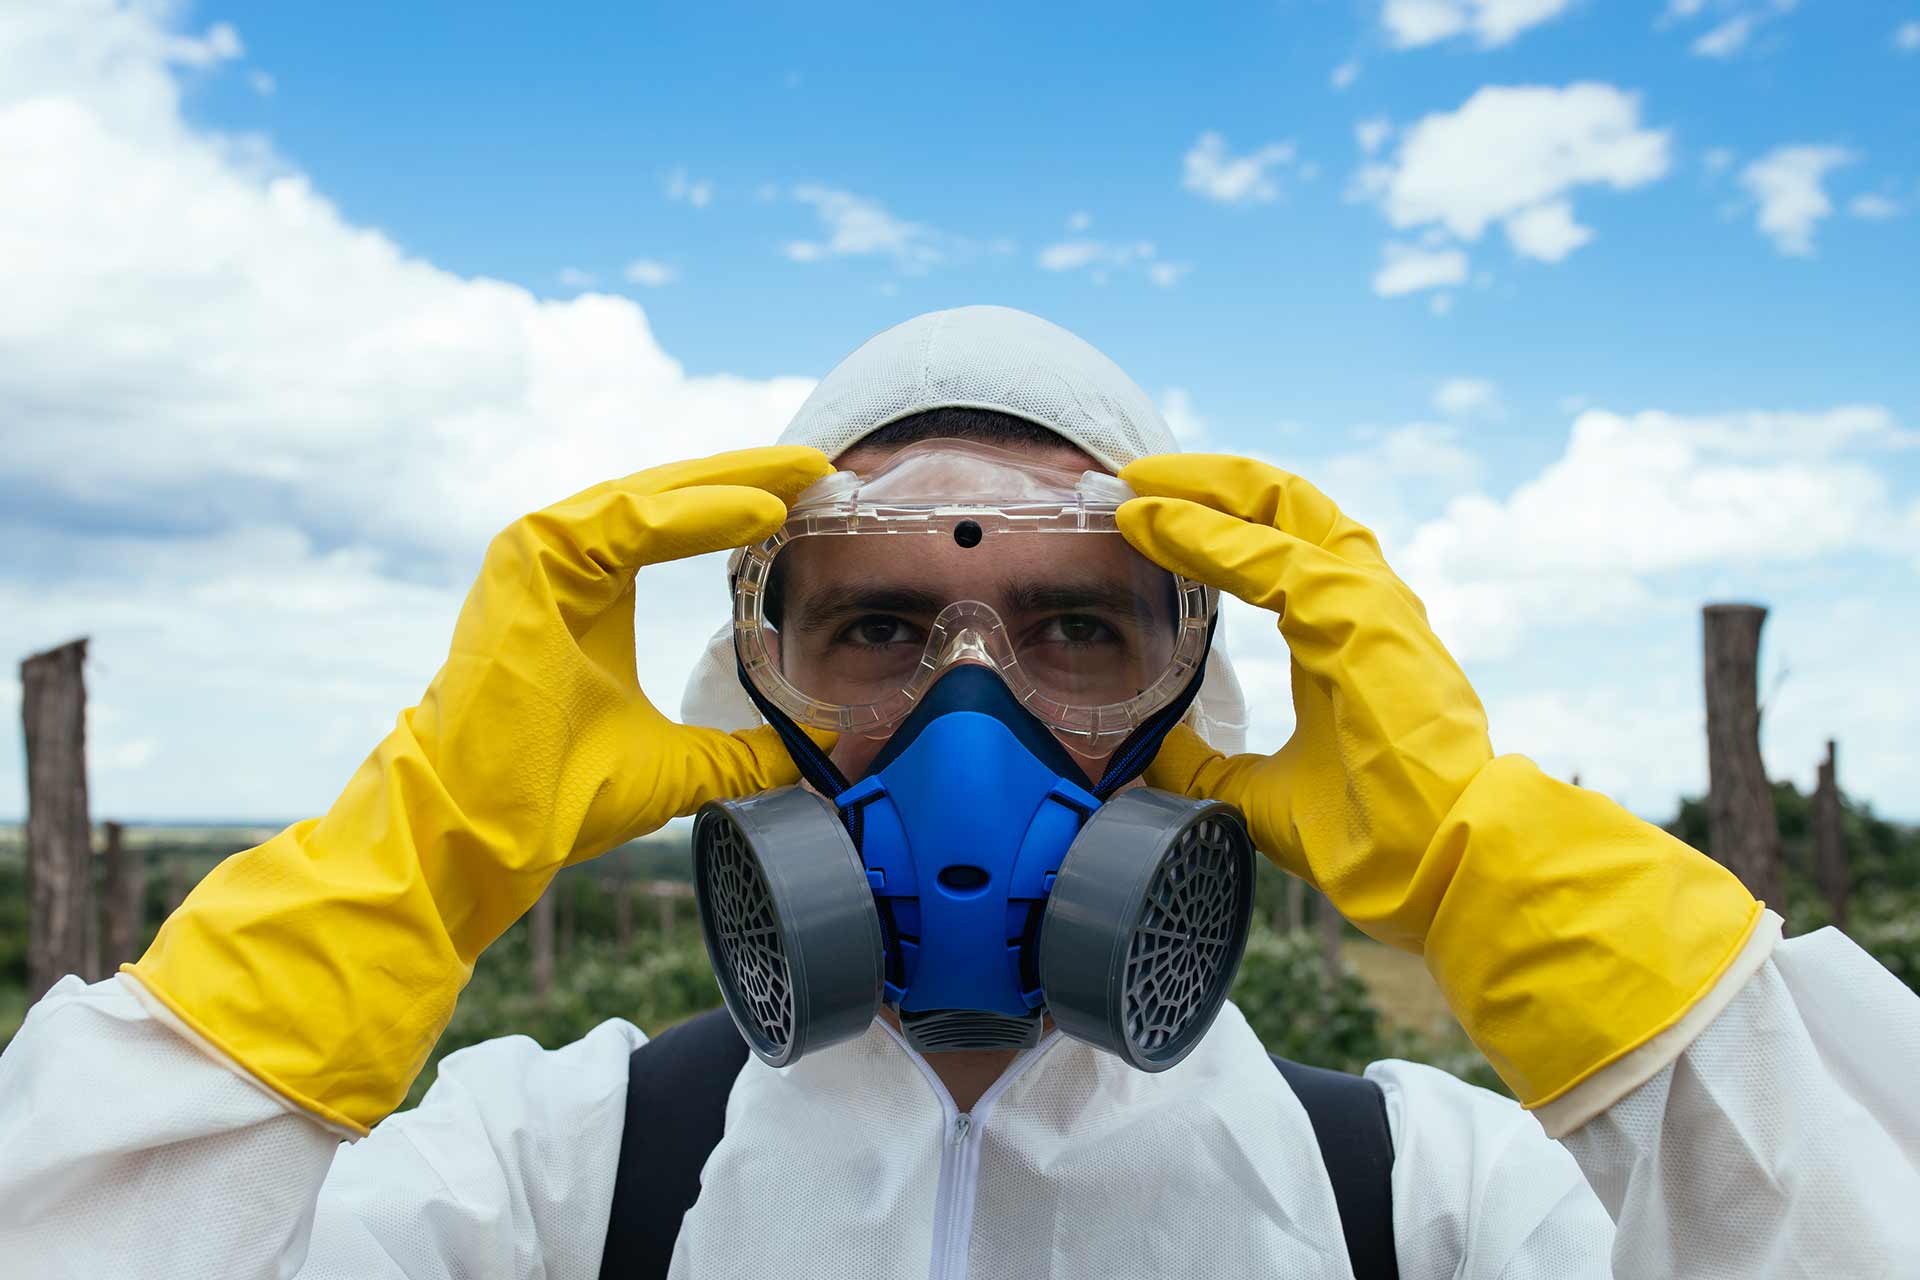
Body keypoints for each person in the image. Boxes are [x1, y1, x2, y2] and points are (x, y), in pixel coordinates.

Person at [2, 306, 1916, 1279]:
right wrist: (411, 859)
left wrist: (1514, 874)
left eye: (1080, 630)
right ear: (749, 687)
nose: (969, 726)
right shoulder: (544, 1185)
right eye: (880, 631)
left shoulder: (1432, 1207)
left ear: (1202, 697)